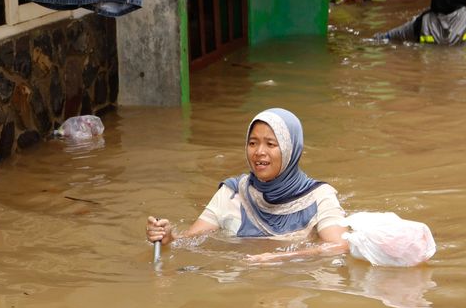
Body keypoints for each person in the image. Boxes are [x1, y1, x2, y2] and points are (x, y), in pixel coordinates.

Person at [145, 108, 348, 262]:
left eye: (270, 144)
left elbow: (339, 246)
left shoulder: (319, 196)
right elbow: (190, 240)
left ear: (290, 149)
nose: (259, 152)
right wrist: (168, 238)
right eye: (253, 143)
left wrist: (280, 258)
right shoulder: (232, 192)